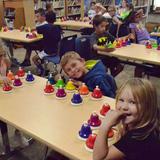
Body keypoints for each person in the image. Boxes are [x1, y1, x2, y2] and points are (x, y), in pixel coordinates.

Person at [93, 78, 160, 160]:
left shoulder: (137, 138)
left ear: (148, 107)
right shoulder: (151, 120)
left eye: (132, 102)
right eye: (121, 100)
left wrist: (105, 126)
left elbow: (98, 158)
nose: (124, 107)